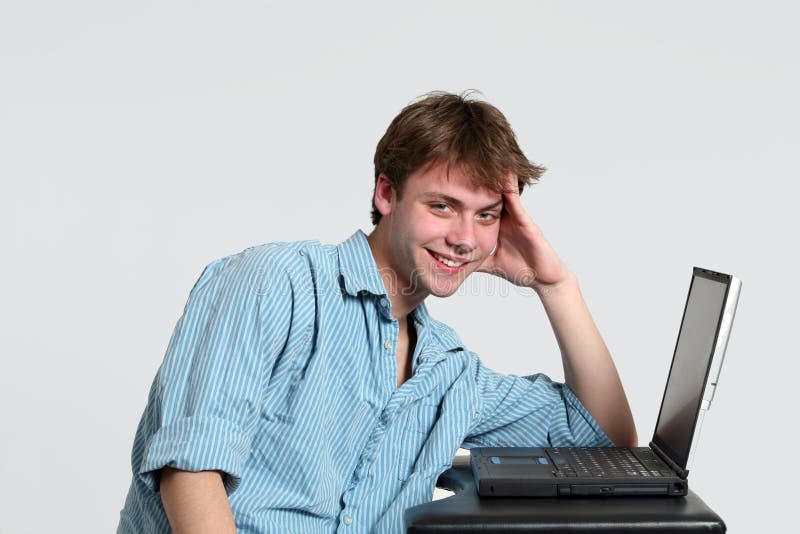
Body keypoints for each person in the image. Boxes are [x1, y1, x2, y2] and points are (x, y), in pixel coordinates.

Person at [118, 91, 636, 533]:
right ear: (387, 193)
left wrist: (556, 285)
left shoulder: (451, 374)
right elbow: (191, 471)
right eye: (443, 206)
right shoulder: (276, 282)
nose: (464, 238)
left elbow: (605, 439)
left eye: (486, 216)